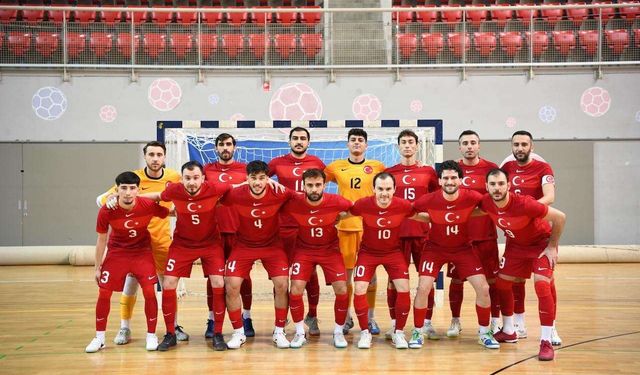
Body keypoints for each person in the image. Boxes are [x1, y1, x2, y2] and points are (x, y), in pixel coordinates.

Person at [96, 142, 188, 344]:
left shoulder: (174, 178)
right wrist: (111, 197)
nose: (155, 158)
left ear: (164, 157)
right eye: (151, 154)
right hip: (134, 244)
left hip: (162, 240)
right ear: (145, 156)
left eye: (159, 155)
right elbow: (101, 200)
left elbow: (187, 194)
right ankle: (124, 327)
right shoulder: (133, 179)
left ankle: (173, 327)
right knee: (131, 285)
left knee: (169, 286)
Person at [142, 161, 232, 351]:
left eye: (195, 178)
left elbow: (239, 187)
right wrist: (131, 197)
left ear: (203, 178)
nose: (191, 182)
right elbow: (158, 196)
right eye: (187, 178)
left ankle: (217, 333)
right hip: (182, 245)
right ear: (182, 179)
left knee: (218, 283)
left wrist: (270, 184)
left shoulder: (215, 188)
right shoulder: (174, 190)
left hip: (210, 244)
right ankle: (170, 334)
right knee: (168, 284)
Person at [410, 160, 500, 350]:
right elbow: (409, 211)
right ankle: (418, 331)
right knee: (422, 288)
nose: (450, 181)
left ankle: (484, 332)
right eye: (446, 178)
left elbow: (490, 206)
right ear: (440, 181)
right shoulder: (429, 199)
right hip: (434, 249)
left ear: (461, 180)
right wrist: (431, 218)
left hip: (463, 249)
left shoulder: (473, 196)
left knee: (483, 288)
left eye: (453, 178)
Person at [480, 168, 566, 361]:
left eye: (501, 184)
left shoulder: (525, 204)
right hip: (516, 247)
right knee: (502, 283)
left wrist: (552, 246)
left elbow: (560, 217)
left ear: (509, 186)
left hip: (540, 244)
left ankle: (546, 340)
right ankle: (509, 330)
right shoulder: (486, 202)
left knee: (542, 285)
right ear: (486, 187)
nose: (497, 188)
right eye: (493, 184)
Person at [86, 171, 168, 353]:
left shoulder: (147, 204)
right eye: (124, 188)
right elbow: (101, 240)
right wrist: (97, 268)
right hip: (117, 253)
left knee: (149, 292)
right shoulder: (107, 210)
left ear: (138, 190)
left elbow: (170, 212)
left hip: (142, 253)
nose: (128, 193)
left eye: (132, 188)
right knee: (104, 293)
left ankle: (151, 335)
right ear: (117, 190)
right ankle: (99, 338)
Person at [347, 172, 427, 349]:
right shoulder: (363, 204)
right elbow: (346, 213)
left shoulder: (403, 205)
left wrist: (442, 219)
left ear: (394, 190)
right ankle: (365, 332)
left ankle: (398, 332)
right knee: (360, 287)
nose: (384, 193)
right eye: (381, 189)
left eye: (388, 189)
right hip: (368, 253)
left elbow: (420, 216)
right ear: (373, 189)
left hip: (393, 253)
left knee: (404, 288)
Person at [221, 161, 296, 349]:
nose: (257, 183)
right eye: (253, 178)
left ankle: (279, 330)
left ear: (268, 179)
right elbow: (212, 192)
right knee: (231, 285)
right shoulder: (236, 193)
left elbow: (305, 198)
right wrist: (236, 185)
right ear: (247, 178)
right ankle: (238, 332)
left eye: (262, 178)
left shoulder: (280, 192)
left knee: (282, 284)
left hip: (272, 245)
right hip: (244, 245)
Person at [501, 130, 561, 346]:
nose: (520, 148)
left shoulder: (542, 168)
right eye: (516, 144)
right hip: (515, 237)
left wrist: (527, 210)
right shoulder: (506, 168)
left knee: (544, 284)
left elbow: (550, 197)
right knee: (514, 280)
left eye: (524, 144)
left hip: (539, 236)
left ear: (531, 147)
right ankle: (518, 324)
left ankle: (551, 328)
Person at [282, 168, 353, 348]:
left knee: (342, 288)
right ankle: (299, 332)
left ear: (324, 185)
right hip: (304, 251)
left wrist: (341, 217)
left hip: (329, 250)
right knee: (296, 289)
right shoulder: (294, 202)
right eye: (310, 185)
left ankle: (338, 332)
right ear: (303, 186)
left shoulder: (335, 201)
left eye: (318, 185)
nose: (314, 189)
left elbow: (354, 208)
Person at [324, 129, 385, 335]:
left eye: (360, 140)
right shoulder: (335, 167)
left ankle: (370, 318)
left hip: (370, 228)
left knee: (371, 277)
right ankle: (347, 317)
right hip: (346, 228)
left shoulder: (377, 167)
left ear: (366, 145)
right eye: (353, 140)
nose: (357, 143)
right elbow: (314, 183)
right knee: (346, 277)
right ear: (347, 144)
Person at [268, 127, 326, 336]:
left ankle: (312, 315)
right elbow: (258, 180)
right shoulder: (276, 163)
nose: (299, 141)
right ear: (289, 141)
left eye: (303, 138)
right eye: (295, 138)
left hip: (308, 226)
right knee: (280, 275)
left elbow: (321, 189)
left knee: (310, 273)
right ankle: (281, 319)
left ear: (308, 142)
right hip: (282, 227)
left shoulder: (317, 163)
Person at [384, 129, 439, 340]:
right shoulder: (390, 173)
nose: (407, 145)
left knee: (427, 280)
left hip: (423, 235)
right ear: (398, 146)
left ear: (417, 146)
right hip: (397, 235)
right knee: (393, 281)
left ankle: (426, 322)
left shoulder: (428, 172)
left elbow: (437, 200)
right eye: (403, 142)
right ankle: (394, 324)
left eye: (411, 142)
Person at [446, 130, 501, 338]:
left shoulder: (492, 169)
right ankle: (455, 320)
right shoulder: (452, 170)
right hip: (459, 238)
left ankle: (495, 321)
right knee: (457, 280)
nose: (469, 146)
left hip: (486, 235)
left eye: (473, 143)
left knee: (491, 281)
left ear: (479, 146)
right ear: (459, 147)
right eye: (465, 143)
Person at [203, 133, 255, 338]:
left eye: (228, 144)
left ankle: (247, 316)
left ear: (235, 147)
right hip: (213, 232)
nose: (225, 148)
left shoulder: (245, 170)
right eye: (221, 145)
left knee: (243, 276)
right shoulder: (206, 170)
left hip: (239, 231)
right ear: (216, 148)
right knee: (213, 278)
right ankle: (212, 319)